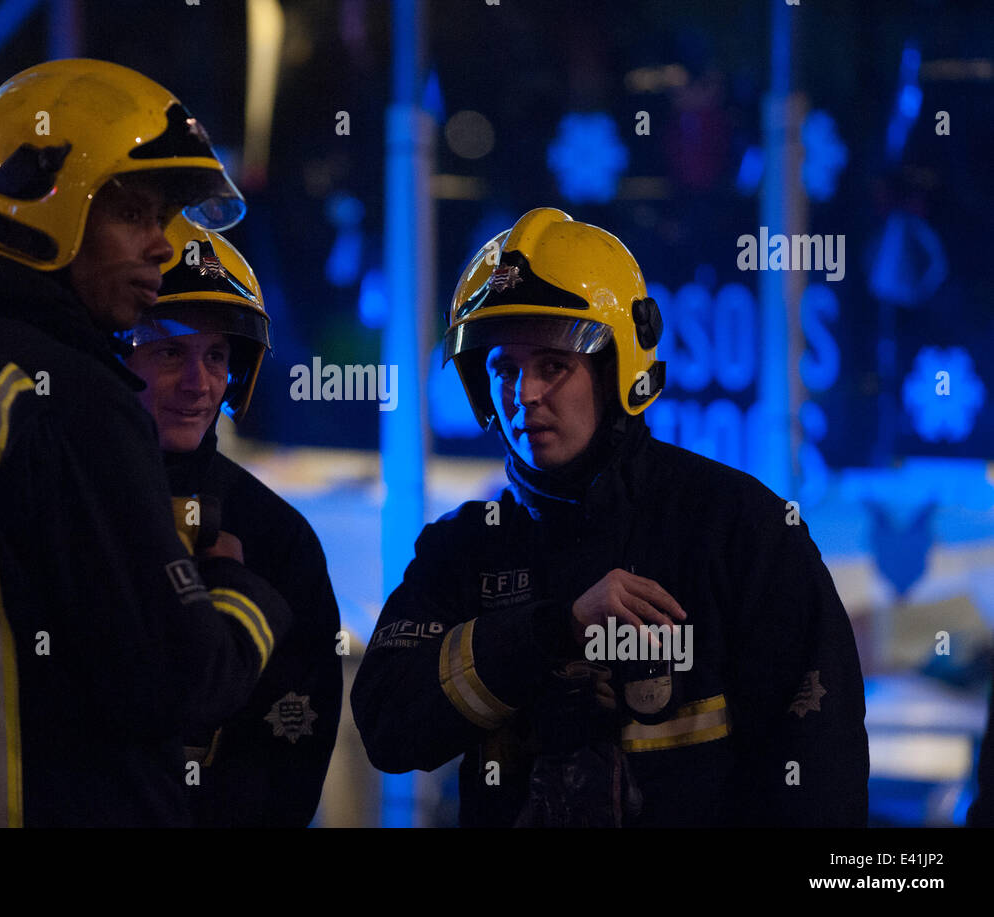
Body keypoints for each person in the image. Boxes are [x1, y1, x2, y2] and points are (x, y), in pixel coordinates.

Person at [0, 59, 291, 827]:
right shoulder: (68, 398)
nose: (165, 248)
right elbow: (174, 680)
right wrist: (245, 596)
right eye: (135, 214)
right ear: (46, 207)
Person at [351, 207, 869, 827]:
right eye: (503, 369)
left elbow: (821, 775)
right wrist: (552, 632)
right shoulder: (463, 550)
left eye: (553, 365)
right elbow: (388, 726)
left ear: (618, 369)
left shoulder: (741, 529)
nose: (525, 395)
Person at [125, 219, 342, 826]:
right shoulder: (77, 497)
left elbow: (293, 752)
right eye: (171, 352)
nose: (198, 385)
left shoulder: (278, 535)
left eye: (216, 356)